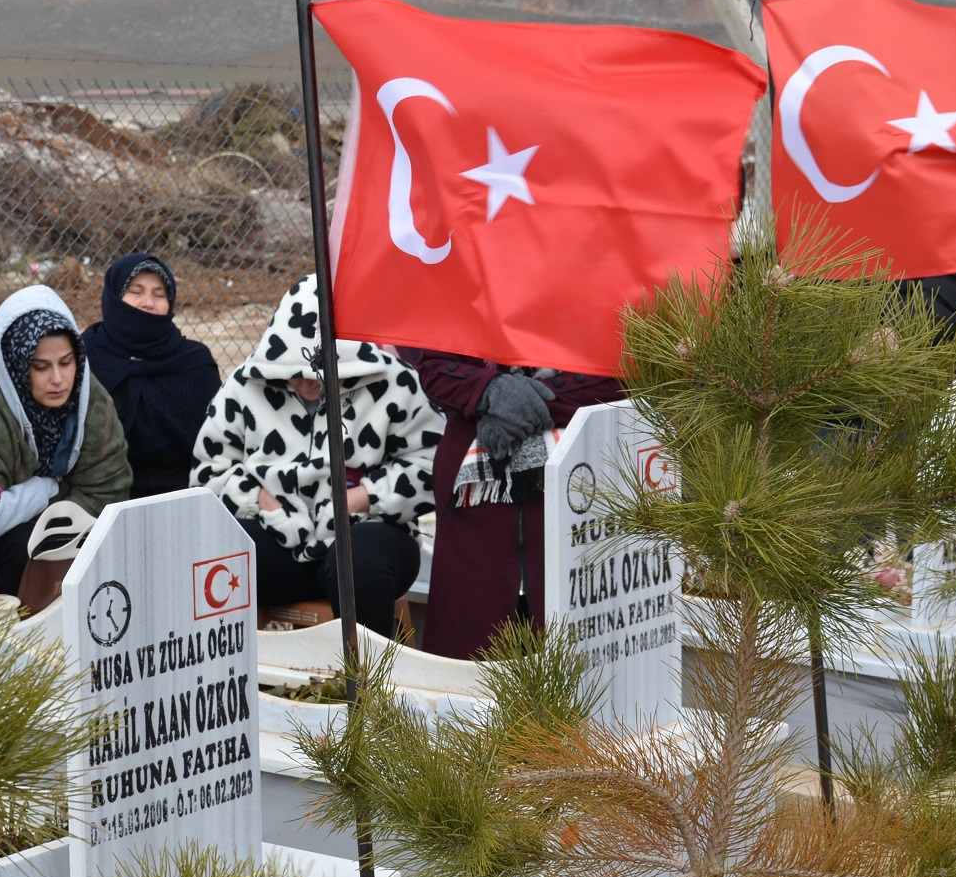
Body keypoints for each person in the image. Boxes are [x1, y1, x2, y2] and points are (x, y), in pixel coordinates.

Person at [193, 275, 441, 640]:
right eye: (295, 372)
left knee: (359, 561)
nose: (308, 383)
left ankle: (370, 685)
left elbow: (431, 463)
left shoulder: (394, 382)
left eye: (321, 373)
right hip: (278, 536)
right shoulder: (245, 387)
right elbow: (209, 470)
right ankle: (232, 676)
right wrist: (264, 502)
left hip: (367, 538)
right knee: (216, 555)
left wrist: (360, 499)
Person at [413, 353, 623, 661]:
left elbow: (625, 375)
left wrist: (515, 404)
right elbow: (435, 367)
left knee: (573, 630)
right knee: (469, 631)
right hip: (473, 487)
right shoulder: (461, 302)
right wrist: (489, 390)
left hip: (580, 473)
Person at [0, 286, 133, 596]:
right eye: (41, 367)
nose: (59, 379)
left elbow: (109, 493)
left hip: (57, 529)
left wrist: (37, 511)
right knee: (24, 546)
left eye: (66, 362)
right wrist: (48, 487)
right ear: (18, 367)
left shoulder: (91, 402)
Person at [82, 253, 221, 498]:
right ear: (114, 297)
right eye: (136, 291)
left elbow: (217, 451)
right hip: (99, 499)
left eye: (159, 294)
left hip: (184, 498)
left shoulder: (194, 364)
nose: (148, 302)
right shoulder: (85, 358)